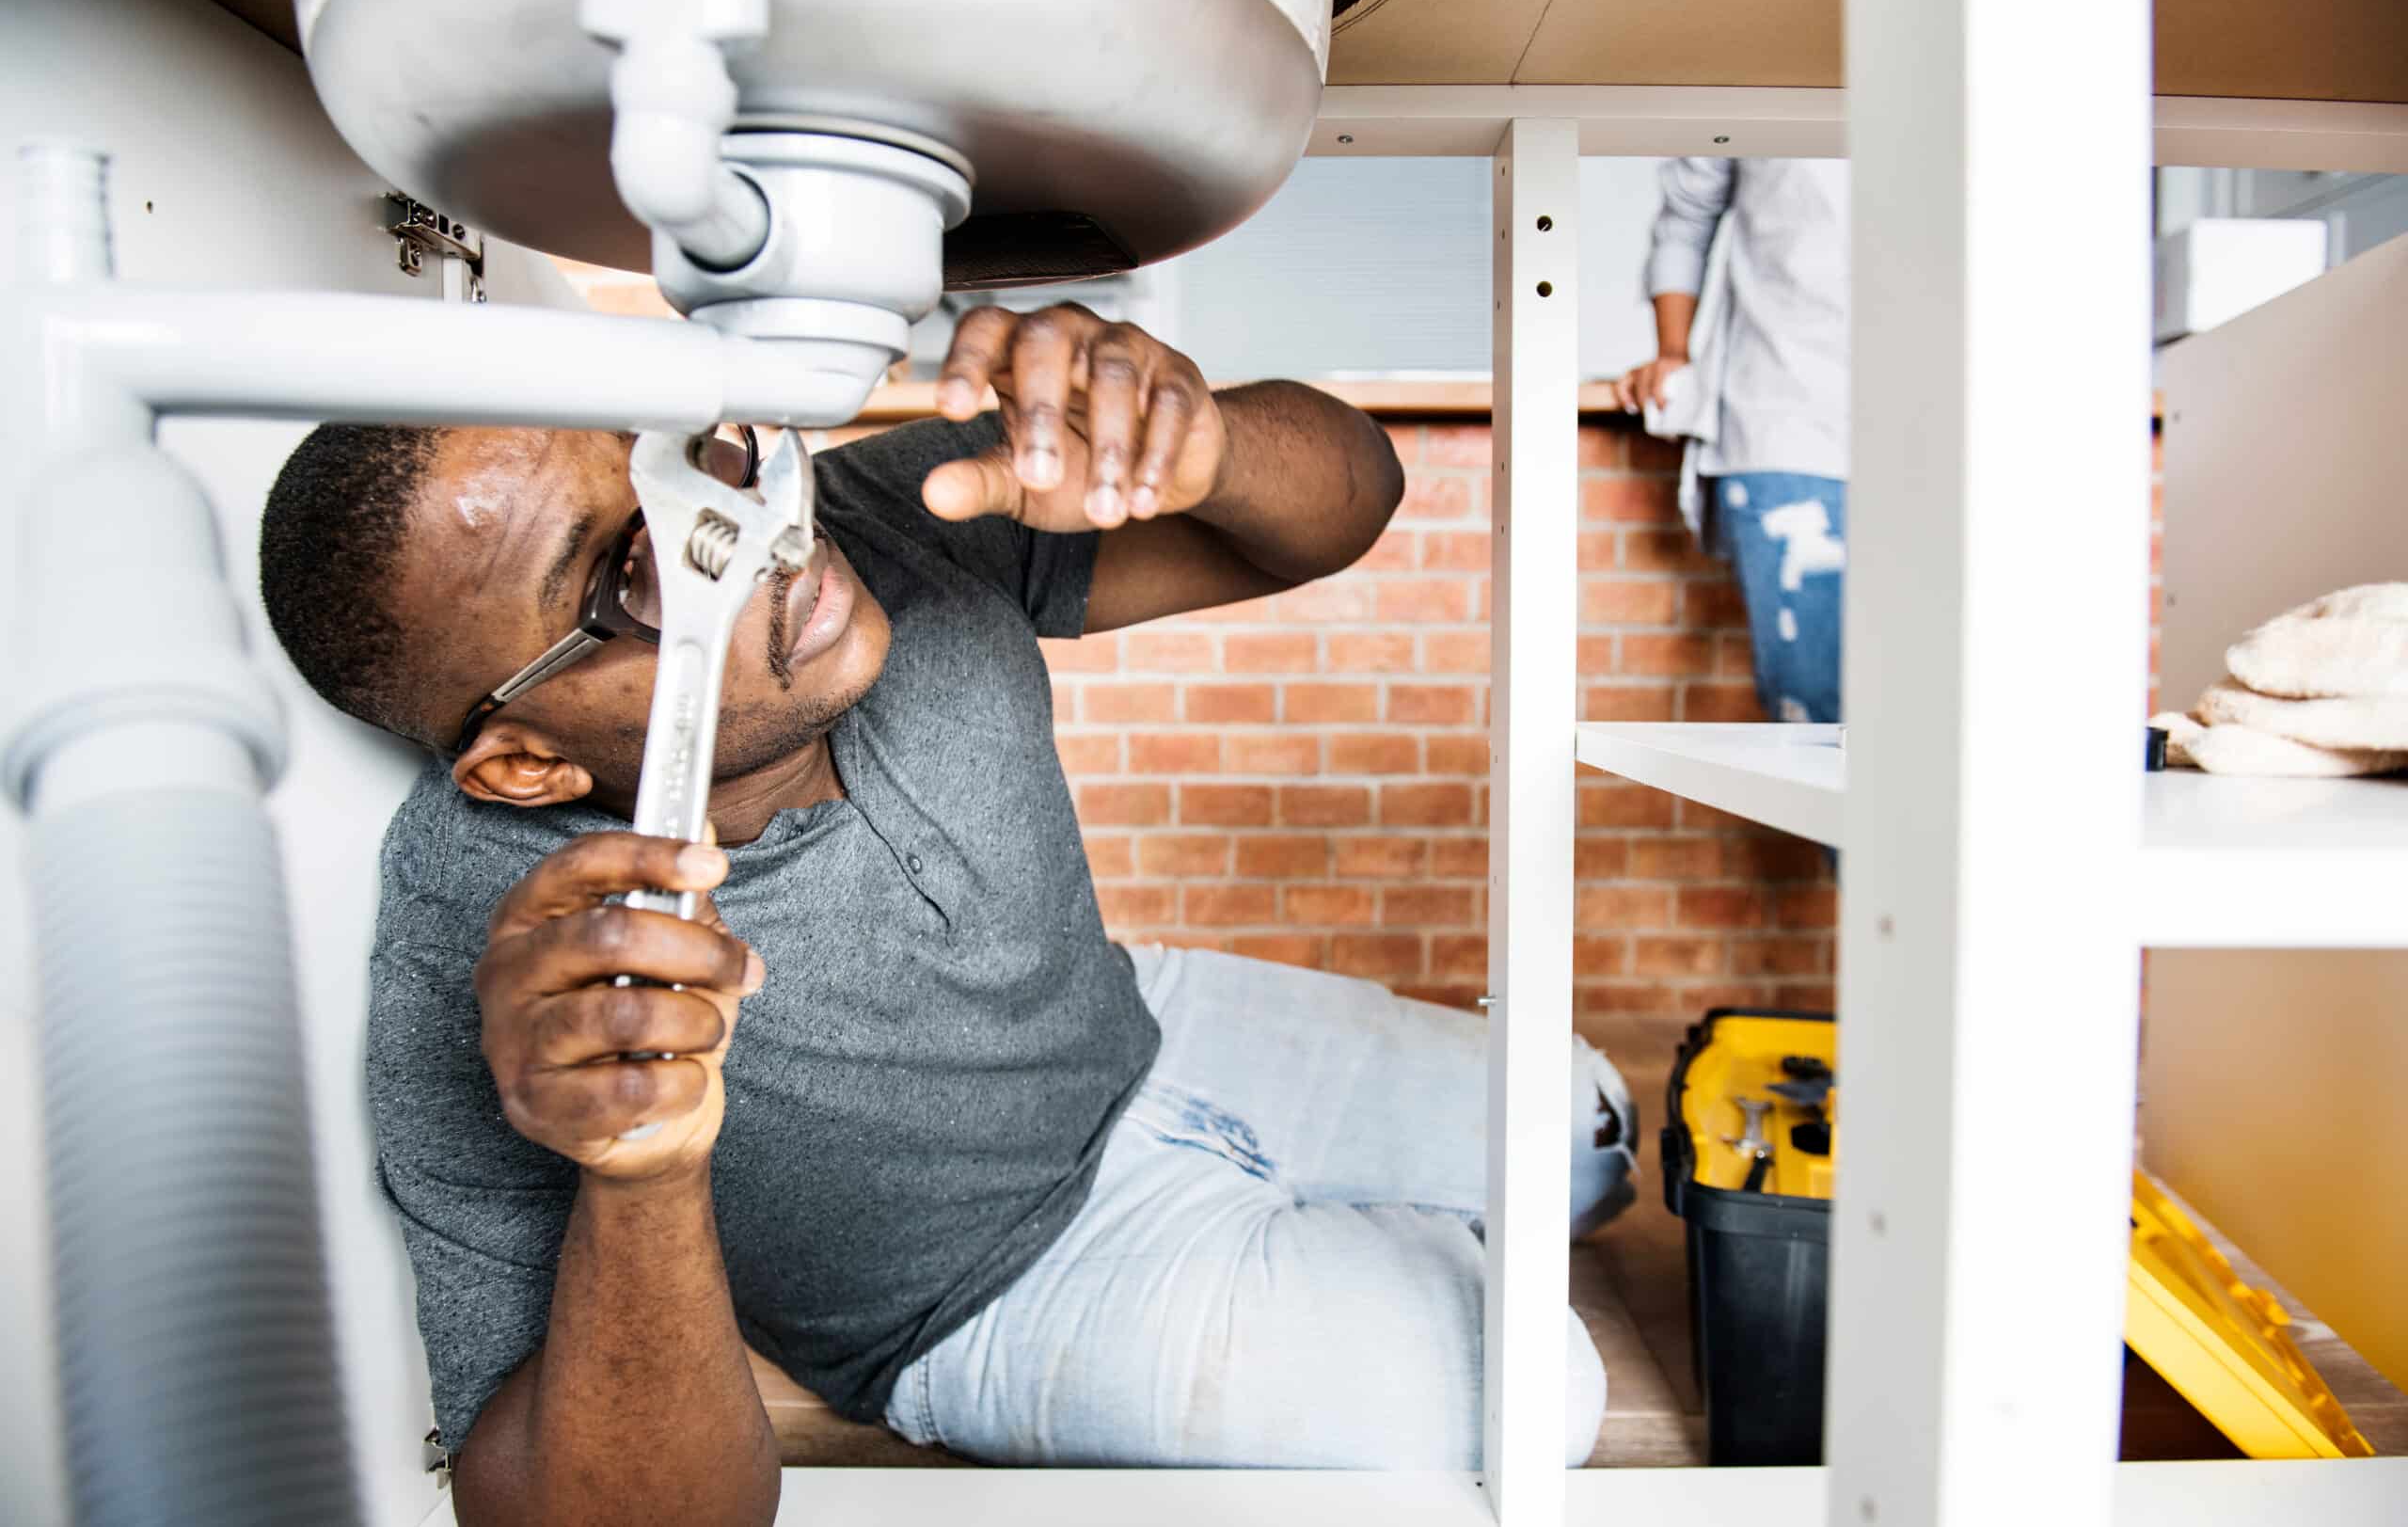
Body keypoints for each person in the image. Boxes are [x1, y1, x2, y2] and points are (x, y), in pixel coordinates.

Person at [258, 303, 1640, 1526]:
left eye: (692, 462)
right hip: (990, 1291)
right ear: (527, 763)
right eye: (634, 567)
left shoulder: (883, 517)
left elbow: (1349, 503)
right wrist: (640, 1170)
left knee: (1588, 1135)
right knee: (1539, 1391)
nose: (758, 542)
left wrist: (1202, 438)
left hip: (1139, 1026)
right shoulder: (487, 952)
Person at [1615, 157, 1849, 724]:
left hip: (1943, 429)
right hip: (1784, 418)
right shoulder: (1755, 76)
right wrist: (1672, 351)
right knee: (1812, 710)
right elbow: (1684, 219)